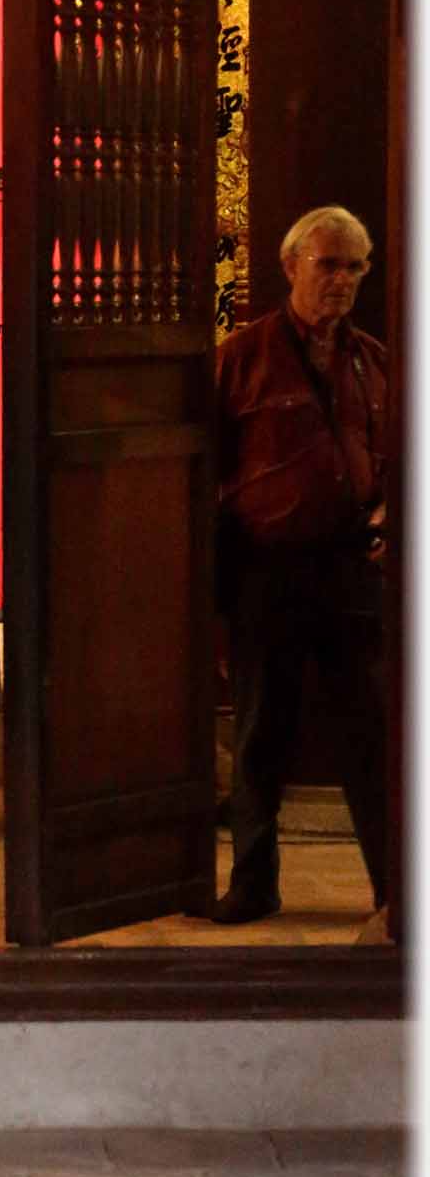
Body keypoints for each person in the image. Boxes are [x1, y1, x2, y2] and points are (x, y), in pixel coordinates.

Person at [211, 205, 389, 924]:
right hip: (267, 569)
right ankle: (253, 884)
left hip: (350, 568)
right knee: (261, 734)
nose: (341, 280)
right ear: (291, 267)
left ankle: (396, 888)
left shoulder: (374, 360)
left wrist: (388, 513)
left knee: (372, 736)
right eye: (328, 264)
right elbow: (207, 467)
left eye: (354, 267)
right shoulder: (242, 356)